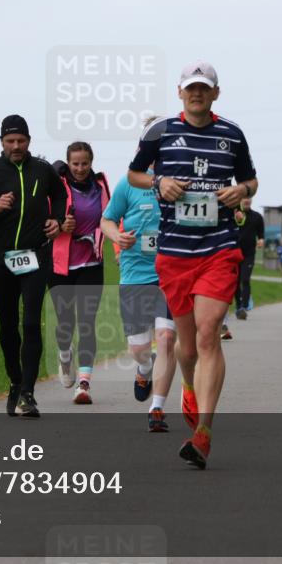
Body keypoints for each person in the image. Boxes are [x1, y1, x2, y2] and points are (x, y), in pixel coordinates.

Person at [128, 60, 258, 469]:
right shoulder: (161, 132)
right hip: (174, 253)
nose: (197, 93)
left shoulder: (231, 134)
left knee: (207, 336)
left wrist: (241, 190)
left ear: (216, 93)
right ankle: (187, 384)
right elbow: (133, 174)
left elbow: (251, 179)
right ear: (179, 92)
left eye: (205, 88)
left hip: (218, 248)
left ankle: (203, 433)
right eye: (191, 88)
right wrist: (158, 182)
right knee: (185, 347)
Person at [0, 115, 65, 418]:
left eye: (21, 141)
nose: (16, 146)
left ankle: (29, 394)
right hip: (2, 258)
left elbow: (60, 195)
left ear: (29, 142)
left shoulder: (43, 170)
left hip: (36, 257)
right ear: (2, 143)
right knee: (8, 327)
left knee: (31, 322)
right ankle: (15, 380)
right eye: (10, 141)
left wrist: (56, 220)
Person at [101, 151, 178, 432]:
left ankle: (156, 408)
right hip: (135, 276)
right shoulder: (128, 184)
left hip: (170, 277)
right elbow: (106, 220)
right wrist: (117, 236)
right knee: (140, 349)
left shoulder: (181, 185)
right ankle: (145, 369)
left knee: (167, 338)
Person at [49, 142, 111, 404]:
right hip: (60, 265)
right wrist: (61, 224)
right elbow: (43, 217)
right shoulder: (57, 187)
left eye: (84, 163)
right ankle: (65, 355)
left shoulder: (101, 187)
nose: (80, 168)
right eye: (75, 163)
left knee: (86, 323)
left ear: (91, 162)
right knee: (65, 324)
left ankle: (83, 384)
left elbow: (111, 217)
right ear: (68, 163)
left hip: (91, 265)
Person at [232, 197, 264, 320]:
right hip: (235, 252)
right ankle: (239, 306)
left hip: (249, 253)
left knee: (245, 279)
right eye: (244, 198)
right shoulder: (234, 214)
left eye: (248, 198)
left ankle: (244, 307)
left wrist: (261, 240)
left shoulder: (257, 217)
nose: (246, 200)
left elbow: (261, 234)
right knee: (235, 281)